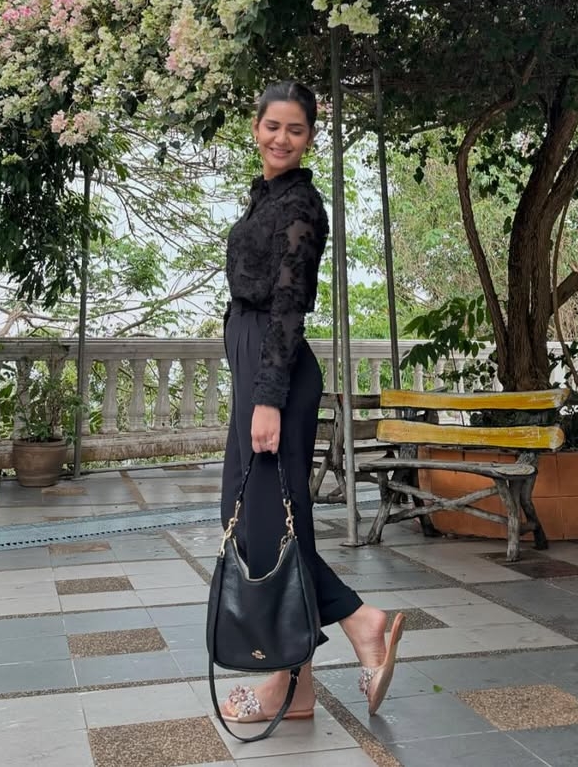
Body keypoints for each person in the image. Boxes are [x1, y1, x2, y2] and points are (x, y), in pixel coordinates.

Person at [219, 80, 404, 725]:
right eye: (272, 126)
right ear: (256, 127)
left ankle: (345, 631)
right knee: (260, 524)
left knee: (267, 527)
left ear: (309, 138)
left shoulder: (301, 204)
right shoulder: (266, 196)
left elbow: (289, 305)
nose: (281, 138)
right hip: (255, 365)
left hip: (275, 372)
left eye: (295, 130)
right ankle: (306, 674)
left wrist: (267, 398)